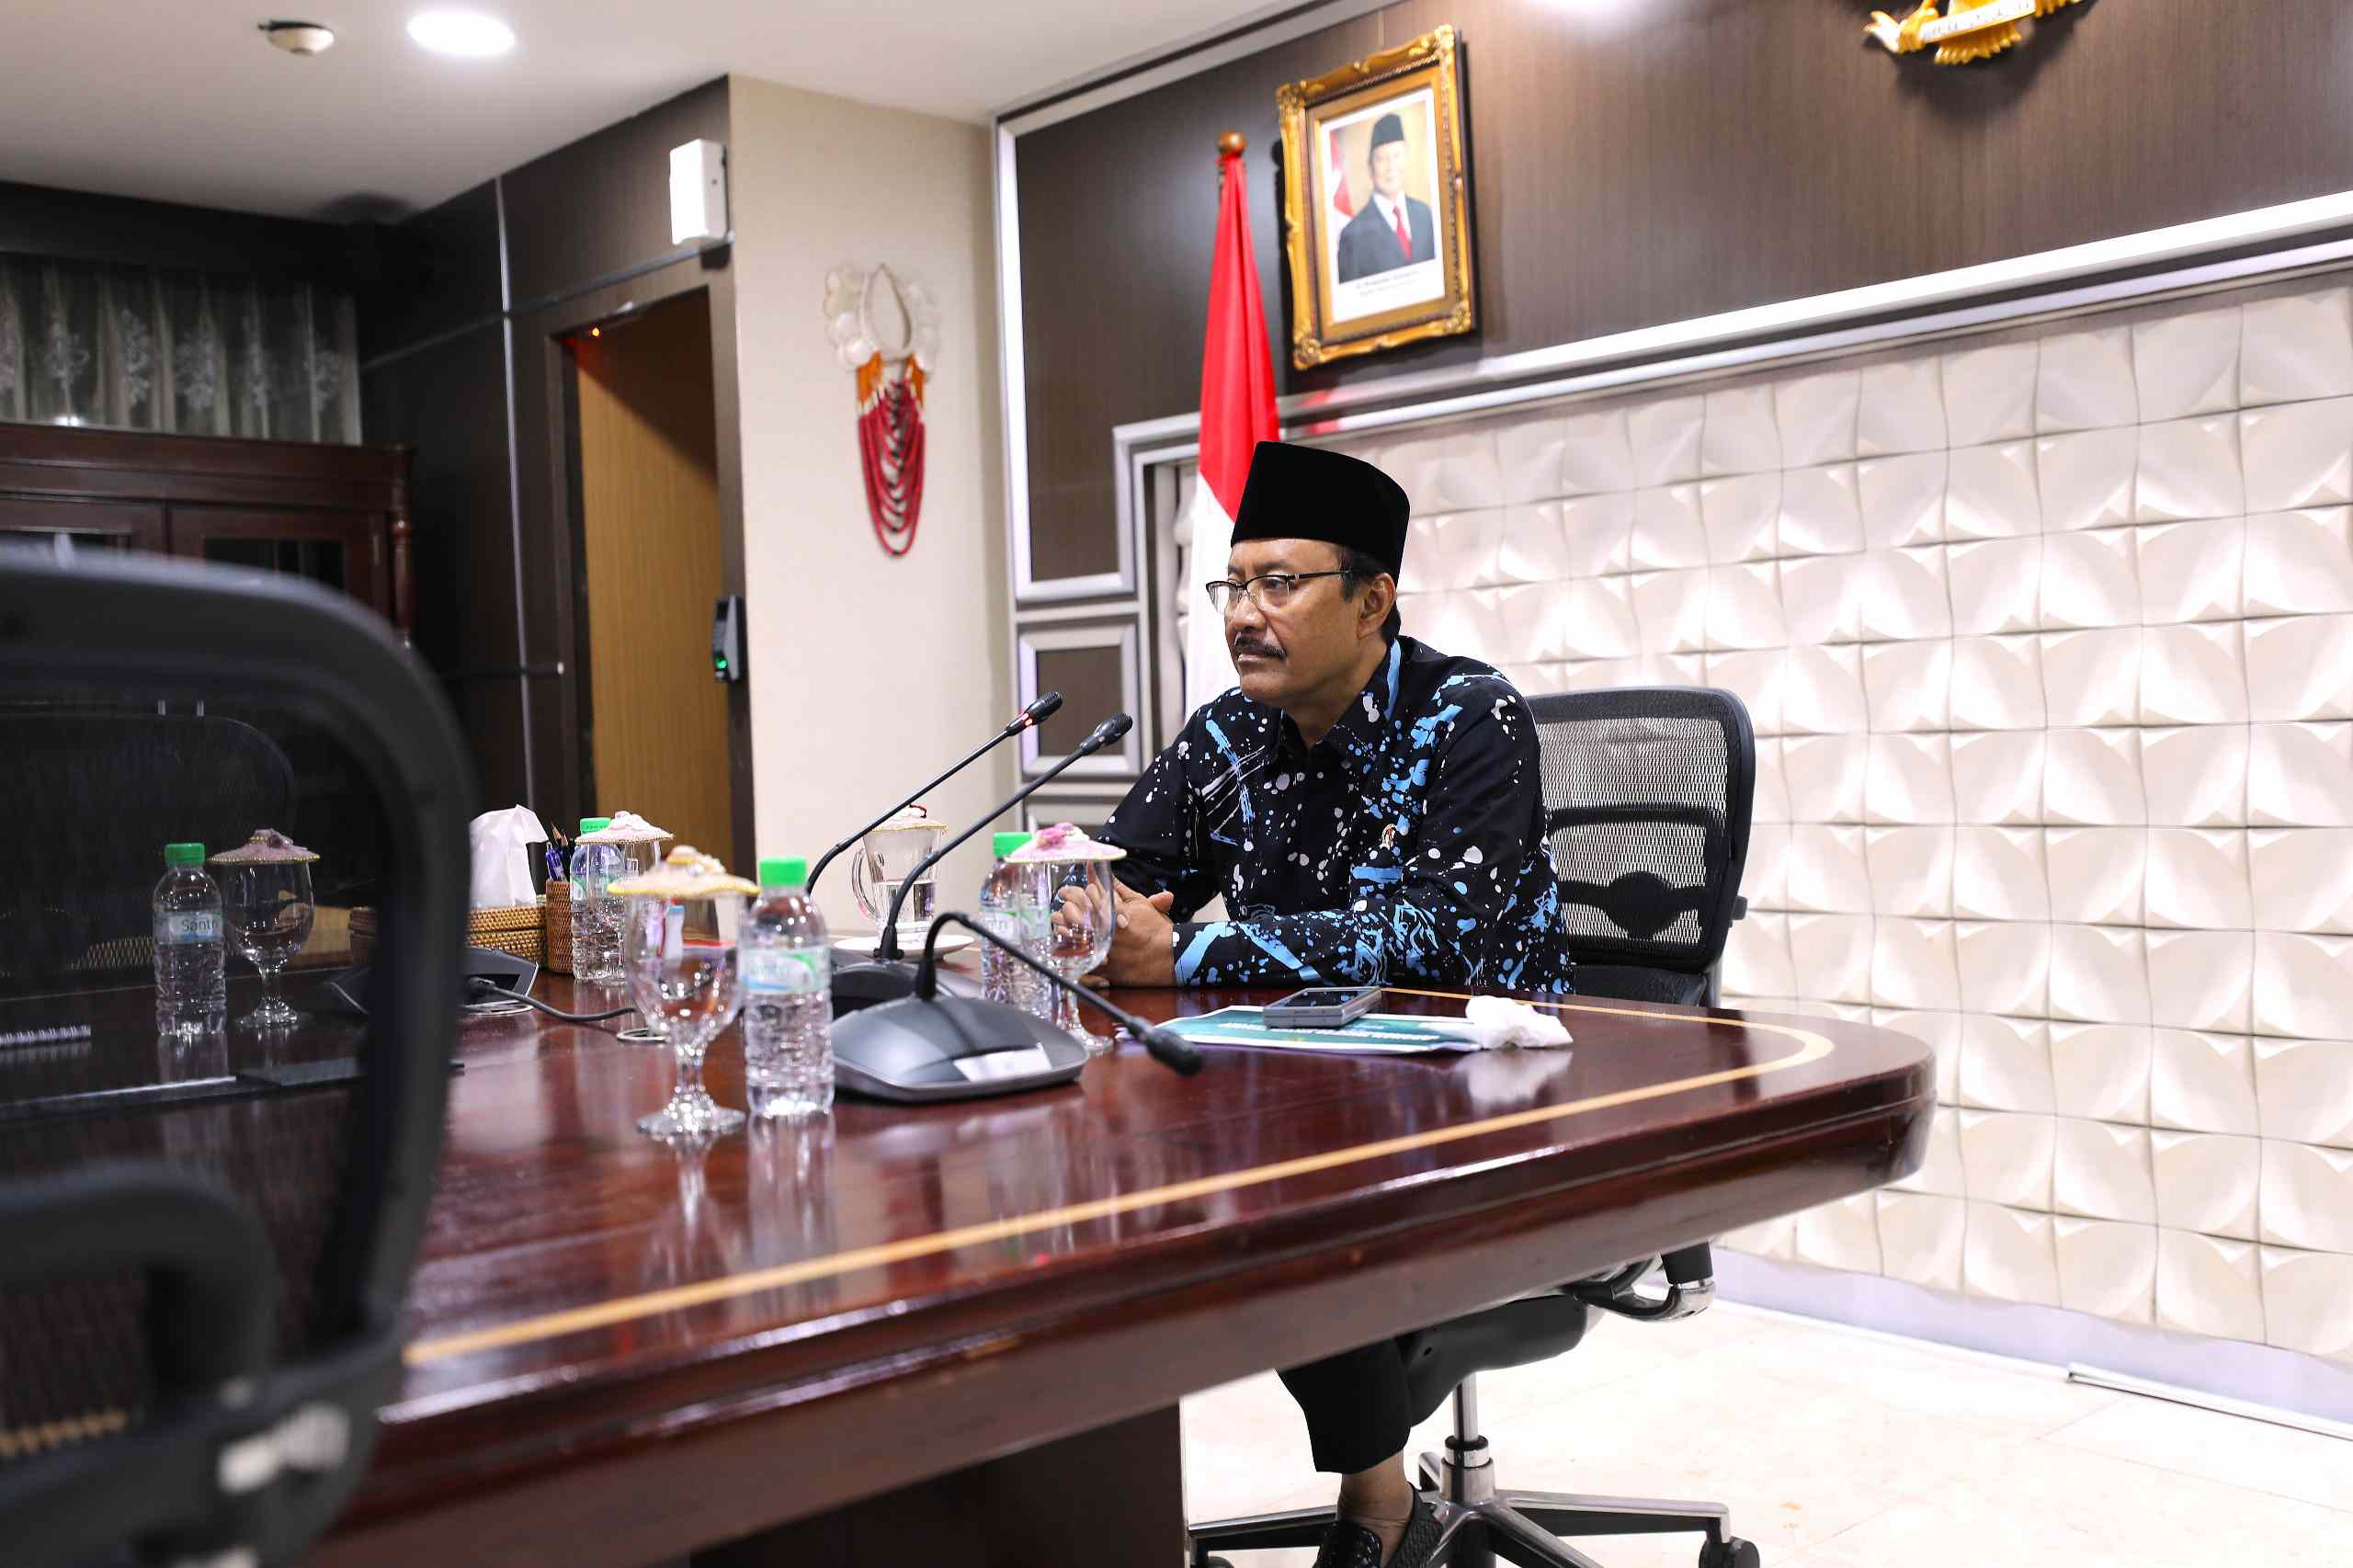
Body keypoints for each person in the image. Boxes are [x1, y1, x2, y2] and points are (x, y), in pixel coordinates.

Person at [1089, 438, 1574, 1568]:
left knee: (1278, 1208)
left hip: (1485, 1090)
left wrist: (1190, 951)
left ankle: (1379, 1502)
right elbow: (1117, 878)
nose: (1242, 614)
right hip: (1303, 1081)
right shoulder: (1226, 734)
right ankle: (1108, 1519)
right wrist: (1080, 906)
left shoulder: (1469, 717)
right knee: (1127, 1182)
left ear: (1372, 601)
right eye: (1233, 584)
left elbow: (1433, 935)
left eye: (1279, 582)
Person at [1336, 112, 1438, 284]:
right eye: (1381, 159)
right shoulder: (1352, 235)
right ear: (1370, 168)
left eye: (1397, 156)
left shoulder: (1425, 215)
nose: (1391, 167)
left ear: (1406, 159)